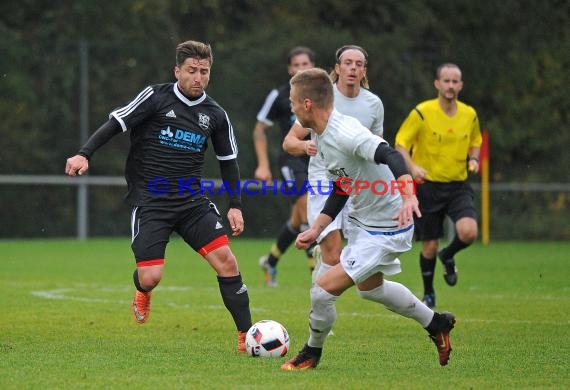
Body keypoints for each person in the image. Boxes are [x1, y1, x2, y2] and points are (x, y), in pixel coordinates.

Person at [65, 40, 252, 353]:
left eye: (204, 72)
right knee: (151, 276)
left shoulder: (216, 115)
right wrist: (84, 154)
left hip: (192, 203)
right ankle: (142, 289)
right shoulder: (155, 97)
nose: (198, 77)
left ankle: (246, 336)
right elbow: (116, 123)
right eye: (191, 70)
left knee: (227, 261)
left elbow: (228, 162)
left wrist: (235, 206)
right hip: (151, 201)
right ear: (177, 71)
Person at [280, 68, 456, 371]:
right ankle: (436, 323)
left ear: (307, 104)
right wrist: (317, 228)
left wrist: (409, 196)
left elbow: (390, 155)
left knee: (322, 289)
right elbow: (342, 185)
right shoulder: (321, 136)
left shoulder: (347, 133)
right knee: (371, 289)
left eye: (293, 101)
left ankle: (311, 353)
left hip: (387, 228)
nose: (291, 106)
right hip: (364, 222)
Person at [283, 45, 384, 284]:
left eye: (358, 64)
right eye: (347, 63)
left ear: (364, 71)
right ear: (337, 68)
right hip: (323, 179)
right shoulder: (324, 98)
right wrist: (305, 146)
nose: (353, 68)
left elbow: (379, 146)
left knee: (361, 267)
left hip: (355, 182)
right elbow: (289, 141)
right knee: (333, 252)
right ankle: (318, 307)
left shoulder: (373, 104)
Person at [395, 63, 482, 309]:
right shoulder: (422, 112)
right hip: (428, 187)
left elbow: (476, 140)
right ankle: (429, 292)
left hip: (457, 185)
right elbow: (401, 143)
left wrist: (474, 158)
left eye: (455, 81)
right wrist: (411, 166)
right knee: (429, 245)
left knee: (469, 232)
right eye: (447, 81)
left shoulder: (469, 114)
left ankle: (449, 254)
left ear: (461, 85)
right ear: (437, 84)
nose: (451, 86)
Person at [253, 46, 316, 286]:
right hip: (291, 161)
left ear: (314, 67)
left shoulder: (325, 95)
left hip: (318, 162)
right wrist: (262, 165)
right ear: (290, 69)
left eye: (305, 64)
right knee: (309, 213)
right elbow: (259, 129)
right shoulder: (280, 95)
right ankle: (317, 277)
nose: (301, 69)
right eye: (296, 65)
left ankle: (270, 261)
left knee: (297, 218)